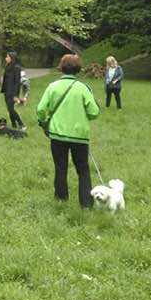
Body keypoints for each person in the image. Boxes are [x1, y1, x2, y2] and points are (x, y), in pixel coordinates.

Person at [37, 54, 100, 209]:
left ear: (62, 67)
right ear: (78, 68)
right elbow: (94, 112)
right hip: (80, 136)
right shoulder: (83, 88)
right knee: (83, 170)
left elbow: (40, 109)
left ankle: (61, 199)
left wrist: (43, 121)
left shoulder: (52, 87)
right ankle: (86, 204)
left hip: (57, 135)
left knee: (60, 167)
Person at [0, 51, 25, 130]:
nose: (6, 58)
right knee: (9, 109)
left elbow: (17, 82)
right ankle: (14, 125)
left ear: (12, 58)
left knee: (11, 109)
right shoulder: (8, 67)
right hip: (7, 91)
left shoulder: (16, 68)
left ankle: (22, 125)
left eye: (7, 57)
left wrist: (16, 95)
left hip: (12, 92)